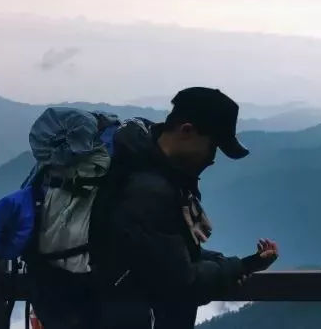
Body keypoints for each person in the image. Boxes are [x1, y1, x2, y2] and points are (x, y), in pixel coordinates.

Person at [89, 87, 279, 329]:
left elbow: (167, 255)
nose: (212, 159)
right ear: (187, 131)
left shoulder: (148, 172)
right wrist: (238, 267)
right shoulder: (148, 192)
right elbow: (183, 284)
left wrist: (245, 263)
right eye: (213, 146)